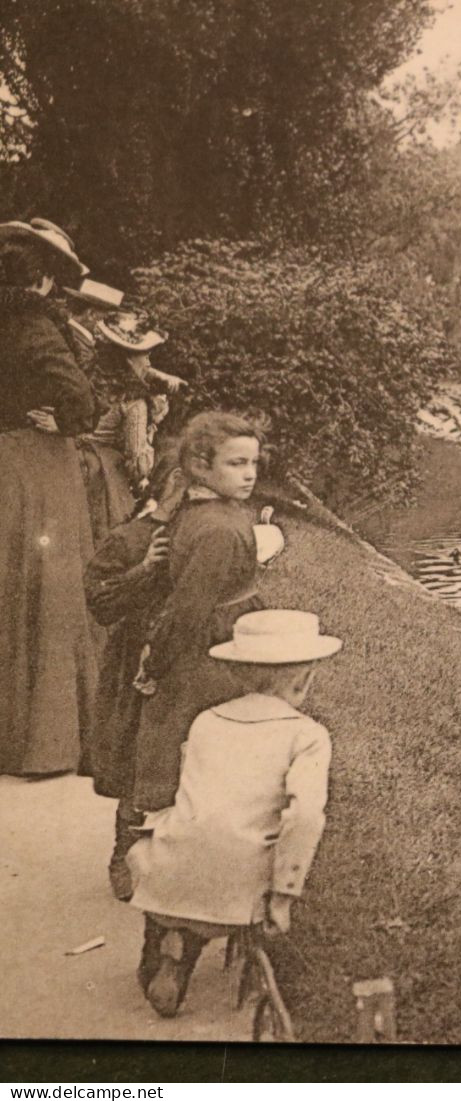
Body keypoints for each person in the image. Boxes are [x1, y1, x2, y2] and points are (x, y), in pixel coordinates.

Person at [128, 608, 340, 1018]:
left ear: (237, 673)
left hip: (168, 873)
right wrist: (284, 896)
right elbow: (306, 818)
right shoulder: (307, 735)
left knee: (192, 845)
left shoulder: (206, 721)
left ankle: (174, 943)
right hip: (238, 891)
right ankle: (271, 985)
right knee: (262, 862)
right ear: (305, 678)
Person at [0, 217, 101, 778]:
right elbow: (81, 402)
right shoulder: (35, 327)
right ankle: (47, 743)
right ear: (42, 280)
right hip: (38, 465)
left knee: (8, 588)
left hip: (1, 464)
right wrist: (63, 420)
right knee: (52, 590)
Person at [130, 412, 267, 813]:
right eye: (236, 463)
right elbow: (188, 609)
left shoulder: (211, 512)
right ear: (200, 467)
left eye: (254, 463)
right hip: (210, 646)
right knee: (188, 738)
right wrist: (156, 662)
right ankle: (152, 837)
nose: (249, 474)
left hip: (218, 632)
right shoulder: (218, 529)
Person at [85, 461, 186, 900]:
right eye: (182, 486)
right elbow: (101, 603)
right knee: (136, 759)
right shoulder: (130, 537)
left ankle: (177, 854)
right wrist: (144, 568)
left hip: (184, 659)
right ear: (163, 489)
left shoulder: (205, 534)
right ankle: (122, 853)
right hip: (135, 665)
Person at [79, 312, 184, 541]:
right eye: (145, 355)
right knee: (103, 536)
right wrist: (154, 422)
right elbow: (138, 463)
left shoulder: (92, 377)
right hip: (102, 473)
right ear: (128, 359)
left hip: (73, 461)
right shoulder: (134, 402)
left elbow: (142, 370)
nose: (148, 361)